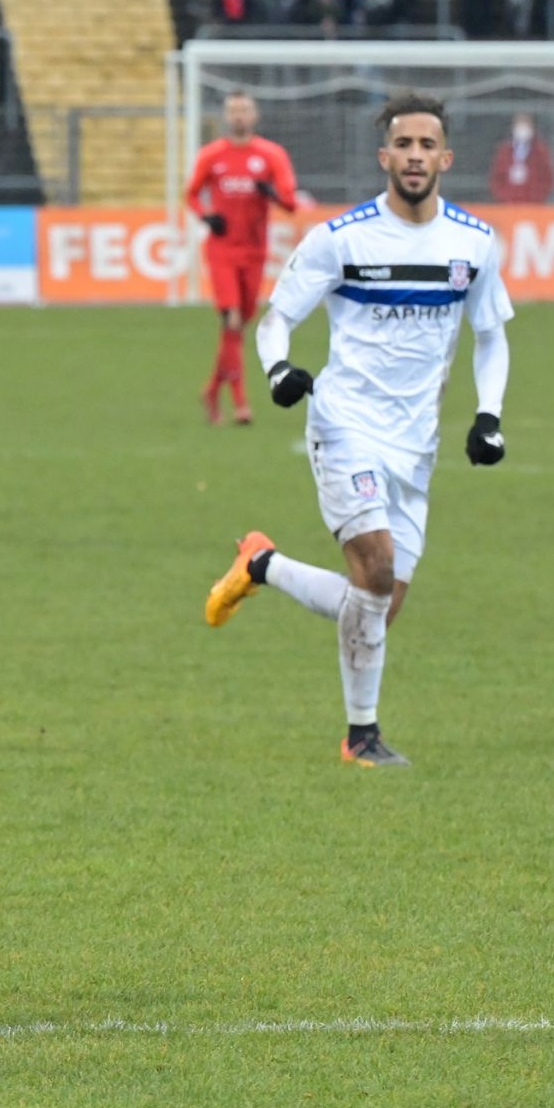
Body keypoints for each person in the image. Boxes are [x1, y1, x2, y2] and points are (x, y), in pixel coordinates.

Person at [205, 91, 513, 768]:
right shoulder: (341, 239)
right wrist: (279, 370)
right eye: (403, 145)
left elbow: (491, 336)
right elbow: (277, 320)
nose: (414, 156)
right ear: (384, 157)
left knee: (376, 605)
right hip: (345, 423)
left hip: (417, 444)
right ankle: (362, 737)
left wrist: (488, 415)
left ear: (445, 158)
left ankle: (261, 564)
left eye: (426, 145)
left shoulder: (473, 242)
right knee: (374, 569)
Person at [184, 89, 297, 426]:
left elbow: (290, 202)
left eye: (244, 110)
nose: (238, 116)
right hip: (222, 250)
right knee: (232, 320)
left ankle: (211, 390)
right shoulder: (212, 155)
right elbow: (191, 195)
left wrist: (271, 194)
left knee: (237, 328)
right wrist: (206, 216)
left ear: (254, 115)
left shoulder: (271, 155)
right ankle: (240, 402)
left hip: (255, 252)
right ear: (226, 115)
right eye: (233, 110)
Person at [488, 111, 554, 202]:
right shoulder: (505, 151)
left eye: (526, 125)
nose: (522, 129)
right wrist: (504, 196)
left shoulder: (540, 151)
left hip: (534, 204)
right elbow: (496, 178)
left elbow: (548, 178)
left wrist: (538, 197)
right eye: (520, 125)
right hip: (509, 203)